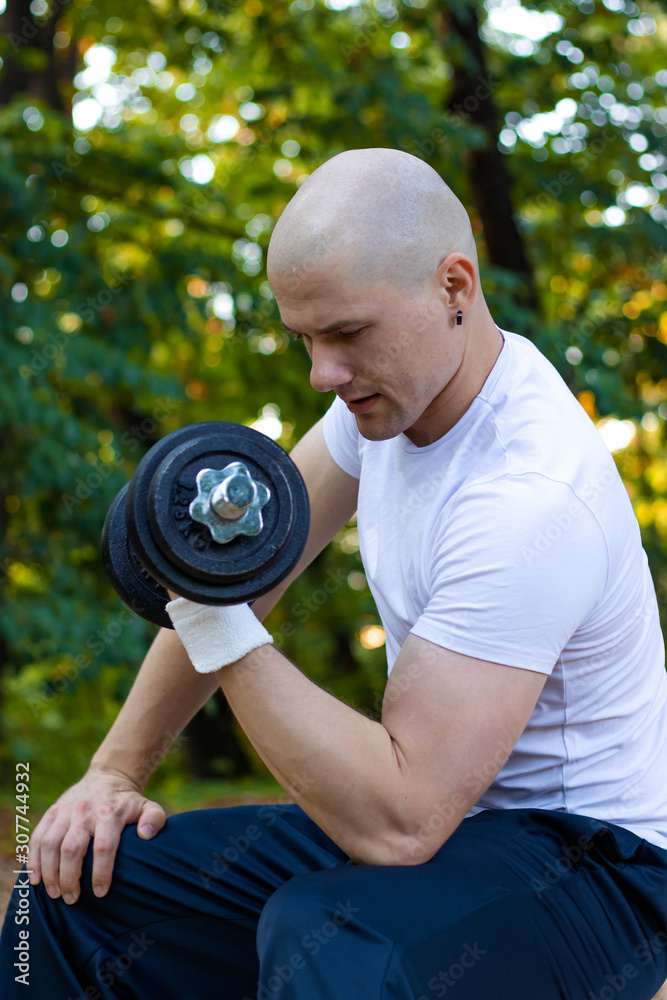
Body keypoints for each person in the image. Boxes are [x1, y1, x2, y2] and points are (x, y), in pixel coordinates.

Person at [2, 146, 667, 1000]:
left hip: (591, 873)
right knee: (73, 889)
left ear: (453, 287)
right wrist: (111, 775)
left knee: (333, 938)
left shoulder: (528, 493)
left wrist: (209, 612)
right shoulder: (380, 407)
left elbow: (398, 822)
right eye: (307, 338)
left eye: (347, 333)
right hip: (444, 830)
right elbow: (241, 574)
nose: (323, 373)